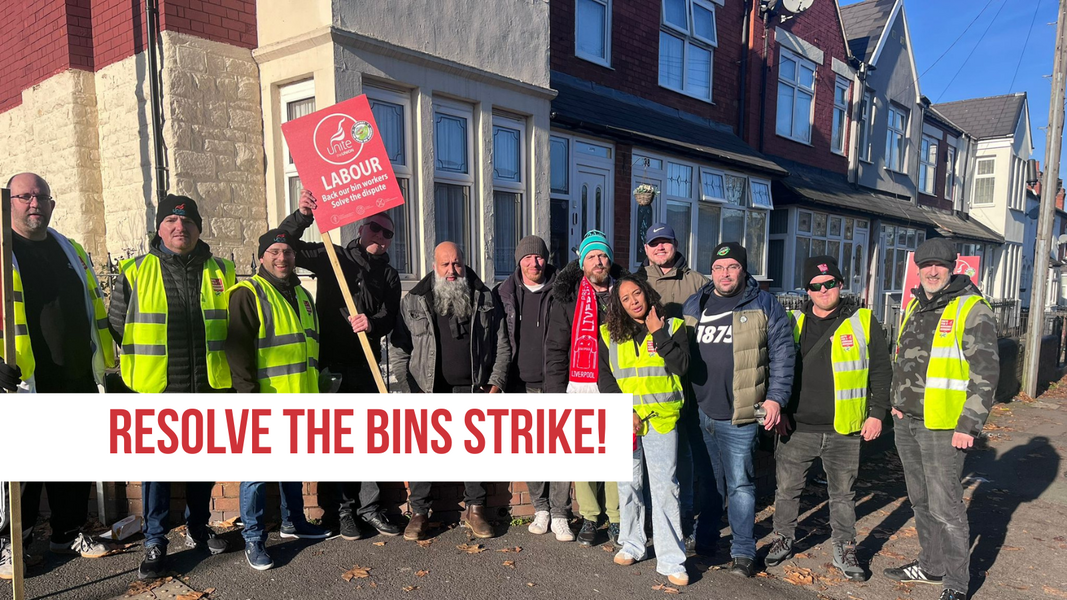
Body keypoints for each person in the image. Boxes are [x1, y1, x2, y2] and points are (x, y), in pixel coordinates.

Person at [108, 194, 233, 579]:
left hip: (209, 385)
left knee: (202, 466)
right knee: (157, 473)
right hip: (156, 388)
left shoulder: (223, 271)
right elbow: (116, 324)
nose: (181, 228)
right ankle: (155, 539)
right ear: (160, 228)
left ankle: (199, 527)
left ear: (199, 228)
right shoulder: (134, 270)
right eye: (172, 223)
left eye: (188, 223)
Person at [0, 173, 114, 580]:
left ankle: (67, 533)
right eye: (24, 196)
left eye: (41, 196)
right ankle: (14, 544)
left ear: (52, 204)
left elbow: (93, 306)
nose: (34, 203)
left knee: (77, 460)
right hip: (26, 380)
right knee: (26, 469)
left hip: (78, 374)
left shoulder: (72, 249)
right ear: (8, 201)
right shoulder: (1, 251)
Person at [280, 190, 402, 540]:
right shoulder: (331, 256)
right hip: (332, 366)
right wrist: (302, 216)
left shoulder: (390, 275)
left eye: (387, 233)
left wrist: (373, 323)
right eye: (375, 229)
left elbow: (389, 315)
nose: (380, 237)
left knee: (368, 440)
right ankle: (343, 511)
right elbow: (282, 246)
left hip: (366, 365)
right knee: (337, 441)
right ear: (362, 229)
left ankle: (370, 507)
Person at [882, 238, 999, 600]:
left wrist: (969, 425)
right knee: (920, 500)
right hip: (908, 422)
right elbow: (904, 358)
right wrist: (896, 402)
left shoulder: (971, 309)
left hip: (944, 426)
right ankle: (931, 567)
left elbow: (986, 372)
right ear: (919, 269)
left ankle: (956, 583)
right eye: (926, 265)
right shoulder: (917, 305)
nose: (932, 271)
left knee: (946, 506)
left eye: (940, 266)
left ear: (953, 269)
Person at [763, 256, 891, 581]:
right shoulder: (791, 321)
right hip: (797, 426)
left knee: (844, 494)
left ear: (840, 284)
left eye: (829, 283)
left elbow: (881, 370)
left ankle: (845, 547)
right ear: (807, 290)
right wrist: (778, 412)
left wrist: (877, 414)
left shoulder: (863, 321)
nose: (823, 290)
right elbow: (773, 369)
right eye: (815, 286)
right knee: (787, 490)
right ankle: (782, 538)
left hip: (844, 429)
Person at [682, 241, 794, 576]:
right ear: (711, 272)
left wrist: (776, 398)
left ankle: (743, 551)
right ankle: (705, 540)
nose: (725, 273)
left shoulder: (764, 304)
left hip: (740, 414)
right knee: (708, 481)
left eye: (732, 267)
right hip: (700, 412)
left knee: (741, 486)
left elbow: (783, 354)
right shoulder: (695, 303)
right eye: (718, 268)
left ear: (743, 270)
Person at [390, 242, 510, 541]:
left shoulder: (483, 296)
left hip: (473, 388)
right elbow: (399, 348)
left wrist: (496, 381)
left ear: (464, 263)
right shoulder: (414, 300)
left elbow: (501, 343)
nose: (452, 271)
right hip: (427, 390)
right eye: (445, 265)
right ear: (434, 266)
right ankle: (419, 512)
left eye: (456, 264)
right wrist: (409, 390)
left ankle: (476, 509)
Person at [226, 229, 330, 570]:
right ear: (261, 258)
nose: (282, 257)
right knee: (256, 473)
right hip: (263, 401)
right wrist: (248, 399)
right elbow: (238, 352)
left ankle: (293, 521)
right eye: (274, 251)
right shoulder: (248, 292)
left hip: (300, 397)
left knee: (291, 467)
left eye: (287, 251)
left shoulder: (302, 295)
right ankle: (254, 537)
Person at [598, 275, 690, 587]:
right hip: (626, 422)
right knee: (628, 485)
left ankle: (671, 559)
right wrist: (625, 412)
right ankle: (632, 545)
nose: (634, 300)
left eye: (637, 293)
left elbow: (682, 366)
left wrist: (658, 333)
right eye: (626, 298)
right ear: (618, 306)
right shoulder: (609, 335)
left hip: (662, 419)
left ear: (647, 293)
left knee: (665, 489)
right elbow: (605, 378)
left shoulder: (673, 326)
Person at [544, 230, 626, 547]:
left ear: (610, 260)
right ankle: (591, 517)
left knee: (616, 456)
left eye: (603, 255)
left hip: (618, 384)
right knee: (585, 457)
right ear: (583, 263)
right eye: (591, 256)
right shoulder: (568, 298)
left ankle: (617, 519)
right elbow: (555, 348)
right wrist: (555, 394)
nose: (598, 261)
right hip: (580, 385)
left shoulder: (625, 293)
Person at [495, 236, 573, 542]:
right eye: (527, 258)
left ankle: (561, 513)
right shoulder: (504, 294)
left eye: (539, 257)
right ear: (519, 261)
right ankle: (541, 508)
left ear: (546, 259)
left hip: (557, 383)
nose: (534, 263)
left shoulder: (563, 291)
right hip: (520, 385)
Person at [635, 223, 708, 545]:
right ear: (646, 249)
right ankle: (653, 520)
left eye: (665, 242)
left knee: (686, 455)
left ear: (676, 244)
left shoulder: (697, 282)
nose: (660, 248)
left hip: (686, 379)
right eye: (654, 243)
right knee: (652, 460)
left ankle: (685, 521)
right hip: (650, 385)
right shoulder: (637, 281)